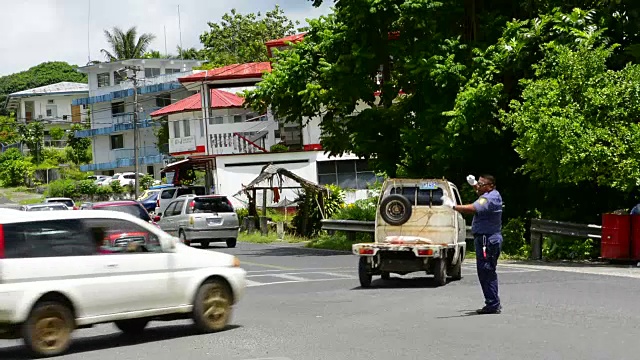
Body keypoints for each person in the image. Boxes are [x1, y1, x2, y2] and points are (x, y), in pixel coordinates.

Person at [442, 174, 503, 314]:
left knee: (486, 271)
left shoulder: (489, 198)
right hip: (486, 238)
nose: (478, 186)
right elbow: (479, 190)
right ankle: (493, 302)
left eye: (481, 184)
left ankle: (493, 304)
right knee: (486, 271)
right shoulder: (490, 194)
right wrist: (473, 183)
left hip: (486, 240)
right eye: (478, 184)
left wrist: (453, 207)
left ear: (490, 186)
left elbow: (473, 208)